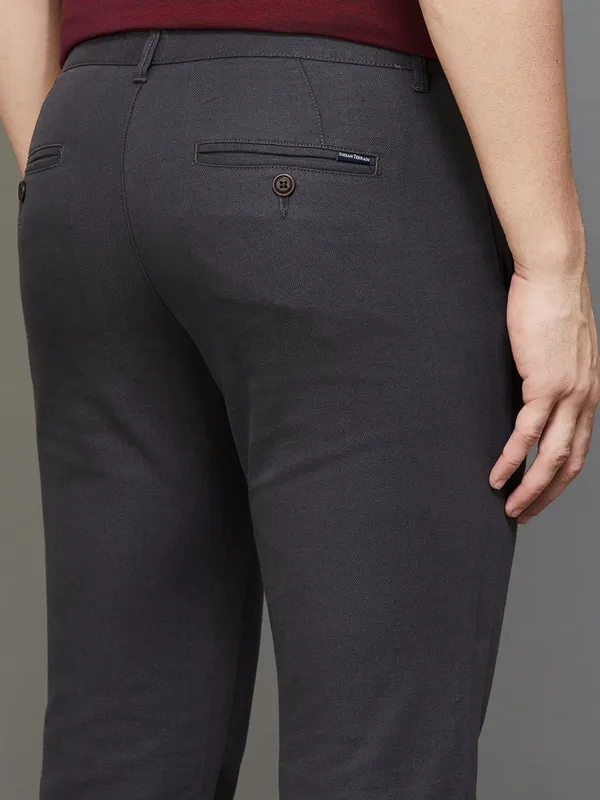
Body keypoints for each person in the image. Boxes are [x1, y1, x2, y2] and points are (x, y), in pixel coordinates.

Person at [1, 1, 598, 798]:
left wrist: (69, 164)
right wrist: (553, 264)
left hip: (83, 140)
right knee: (375, 761)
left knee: (121, 745)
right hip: (329, 136)